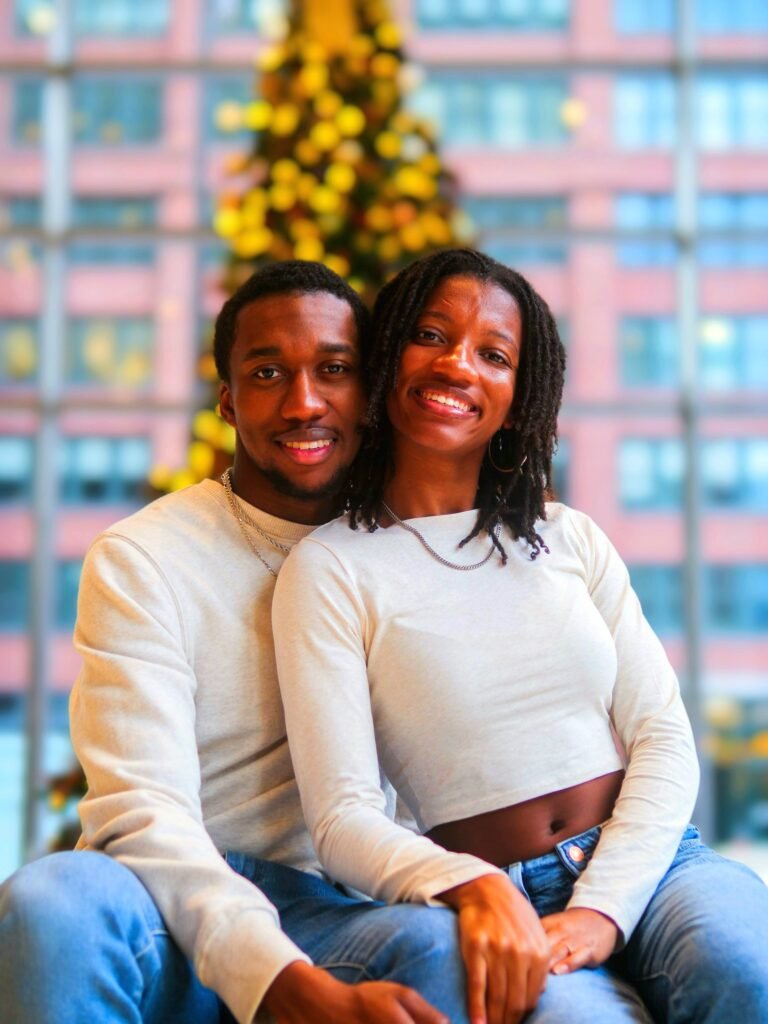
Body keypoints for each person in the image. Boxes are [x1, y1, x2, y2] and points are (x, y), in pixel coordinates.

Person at [272, 248, 768, 1024]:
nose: (457, 365)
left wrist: (604, 907)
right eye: (431, 335)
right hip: (498, 900)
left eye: (493, 354)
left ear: (519, 394)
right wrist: (477, 893)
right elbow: (341, 819)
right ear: (388, 350)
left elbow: (664, 738)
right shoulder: (329, 569)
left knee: (744, 970)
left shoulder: (569, 538)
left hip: (658, 861)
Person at [0, 260, 495, 1024]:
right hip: (169, 899)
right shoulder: (144, 556)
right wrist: (278, 980)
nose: (305, 403)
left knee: (440, 943)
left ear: (369, 394)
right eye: (268, 373)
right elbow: (142, 813)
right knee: (52, 901)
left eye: (334, 370)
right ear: (228, 402)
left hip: (338, 906)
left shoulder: (413, 548)